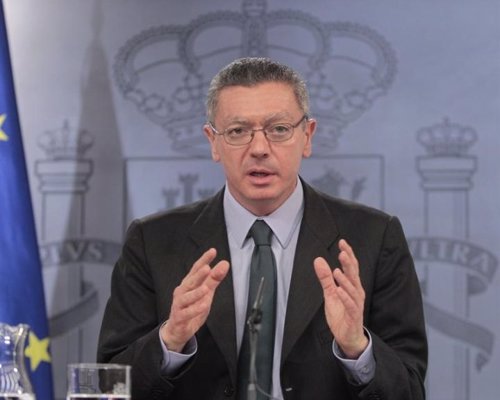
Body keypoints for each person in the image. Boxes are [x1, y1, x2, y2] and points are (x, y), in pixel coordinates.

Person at [97, 57, 427, 400]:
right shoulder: (152, 242)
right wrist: (169, 340)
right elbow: (107, 388)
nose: (258, 149)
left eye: (279, 129)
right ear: (213, 141)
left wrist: (358, 348)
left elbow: (411, 391)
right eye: (237, 131)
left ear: (307, 136)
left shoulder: (375, 237)